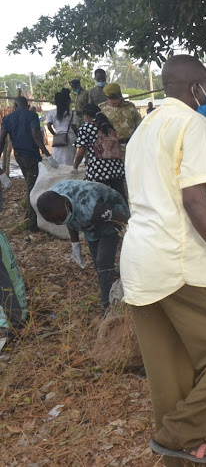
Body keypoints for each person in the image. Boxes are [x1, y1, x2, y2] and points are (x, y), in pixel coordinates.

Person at [120, 54, 206, 465]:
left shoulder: (144, 127)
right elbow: (195, 203)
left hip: (139, 260)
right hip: (175, 259)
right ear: (196, 86)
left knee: (170, 370)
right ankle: (180, 434)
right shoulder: (192, 123)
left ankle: (179, 451)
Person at [37, 181, 129, 316]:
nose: (58, 222)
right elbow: (68, 220)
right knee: (99, 265)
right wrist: (75, 245)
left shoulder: (89, 204)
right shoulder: (53, 201)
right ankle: (110, 283)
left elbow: (118, 218)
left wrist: (130, 232)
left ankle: (108, 307)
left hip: (112, 214)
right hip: (90, 223)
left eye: (59, 218)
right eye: (53, 221)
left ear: (67, 205)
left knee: (103, 262)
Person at [0, 97, 58, 231]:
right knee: (33, 188)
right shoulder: (31, 115)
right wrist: (48, 155)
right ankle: (32, 224)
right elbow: (35, 136)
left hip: (19, 156)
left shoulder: (7, 119)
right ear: (27, 105)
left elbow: (2, 140)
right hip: (31, 156)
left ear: (15, 105)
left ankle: (29, 214)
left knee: (30, 183)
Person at [73, 103, 126, 200]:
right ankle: (125, 214)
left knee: (100, 199)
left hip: (98, 169)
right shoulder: (107, 126)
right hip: (116, 167)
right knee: (120, 197)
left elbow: (81, 151)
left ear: (86, 115)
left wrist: (75, 167)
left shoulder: (85, 128)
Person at [99, 83, 142, 152]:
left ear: (120, 95)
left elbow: (139, 125)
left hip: (131, 146)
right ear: (106, 97)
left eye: (115, 98)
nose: (113, 101)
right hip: (111, 149)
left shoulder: (130, 106)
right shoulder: (101, 109)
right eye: (110, 99)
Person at [47, 91, 79, 165]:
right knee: (69, 160)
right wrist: (79, 138)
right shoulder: (72, 113)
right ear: (67, 101)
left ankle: (60, 175)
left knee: (57, 160)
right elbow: (74, 128)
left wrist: (55, 134)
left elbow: (49, 126)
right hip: (70, 138)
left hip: (58, 138)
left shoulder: (51, 112)